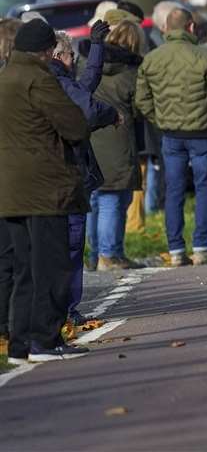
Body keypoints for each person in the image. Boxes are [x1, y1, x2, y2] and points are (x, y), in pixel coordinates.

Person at [0, 19, 95, 361]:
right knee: (52, 267)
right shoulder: (39, 79)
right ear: (44, 50)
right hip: (44, 189)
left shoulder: (4, 78)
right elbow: (74, 124)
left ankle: (20, 344)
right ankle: (45, 339)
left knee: (23, 269)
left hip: (9, 190)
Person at [134, 6, 207, 267]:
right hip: (201, 133)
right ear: (190, 27)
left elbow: (141, 99)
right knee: (204, 187)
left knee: (173, 190)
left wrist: (159, 118)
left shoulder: (152, 59)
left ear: (166, 28)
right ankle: (201, 246)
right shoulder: (204, 56)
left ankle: (175, 249)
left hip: (170, 134)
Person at [45, 24, 117, 321]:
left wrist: (96, 48)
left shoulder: (54, 80)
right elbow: (87, 108)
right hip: (66, 174)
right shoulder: (56, 82)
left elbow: (85, 85)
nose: (75, 62)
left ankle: (62, 308)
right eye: (72, 56)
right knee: (71, 242)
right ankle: (65, 308)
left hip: (52, 177)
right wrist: (112, 114)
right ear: (61, 55)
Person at [88, 20, 144, 270]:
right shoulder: (131, 72)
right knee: (114, 198)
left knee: (95, 198)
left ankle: (95, 253)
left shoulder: (91, 62)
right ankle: (110, 254)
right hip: (118, 137)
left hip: (91, 136)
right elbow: (139, 105)